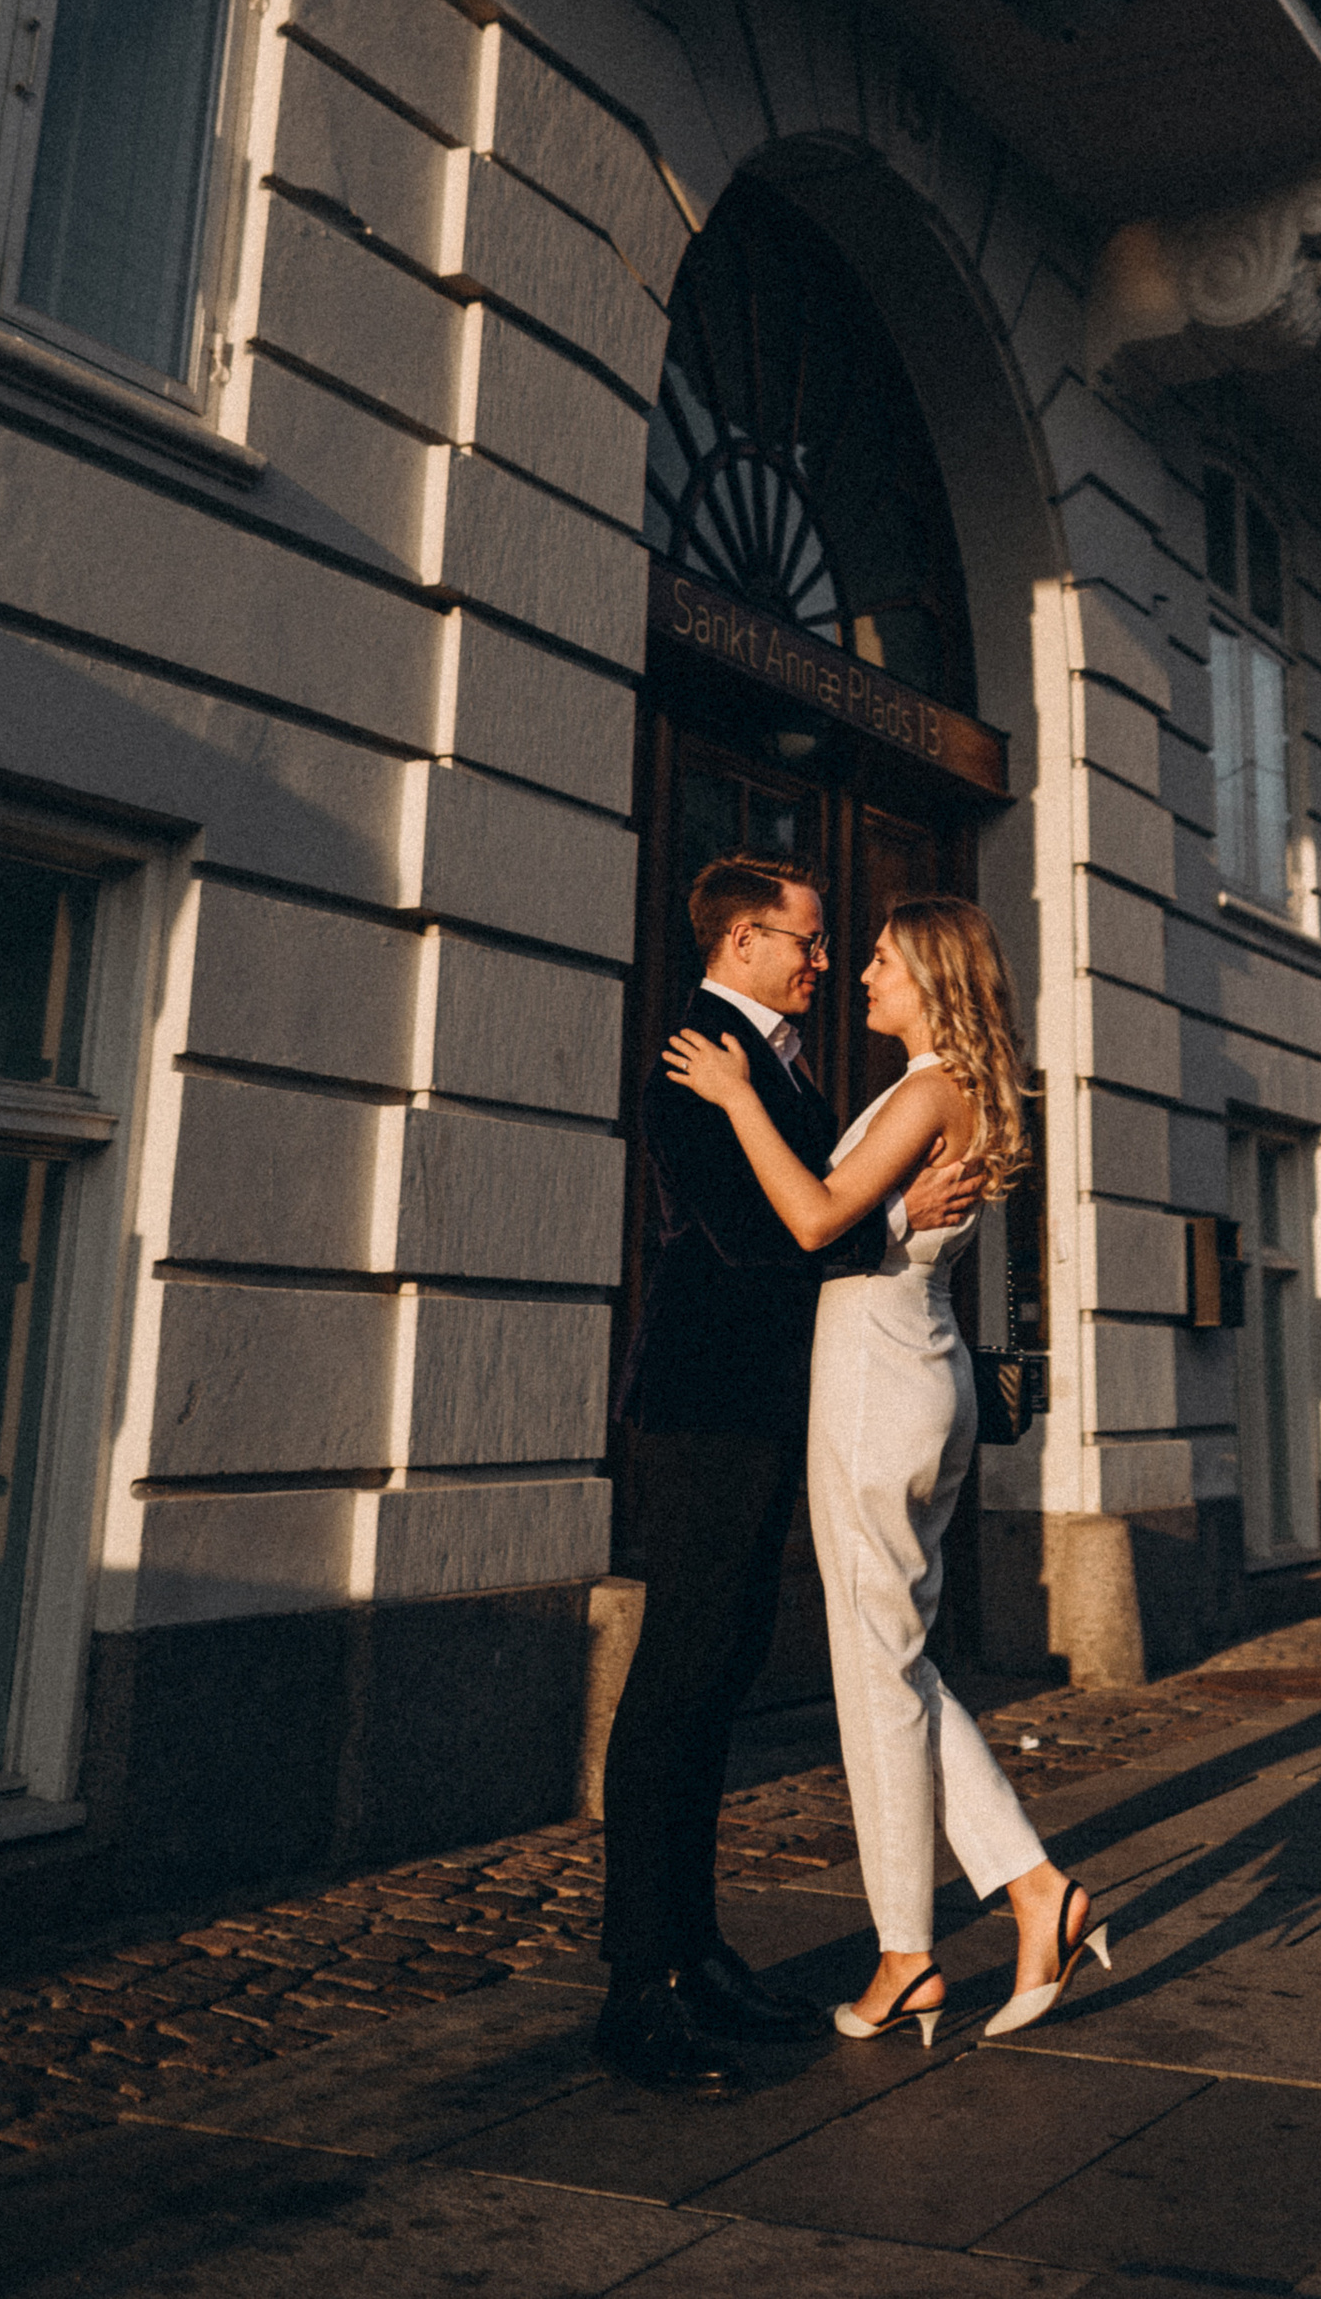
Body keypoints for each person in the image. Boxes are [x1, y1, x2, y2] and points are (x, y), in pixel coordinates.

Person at [666, 894, 1109, 2051]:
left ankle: (932, 1942)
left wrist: (736, 1098)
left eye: (877, 959)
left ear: (931, 973)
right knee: (896, 1664)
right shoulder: (954, 1082)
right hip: (919, 1370)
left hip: (877, 1386)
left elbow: (816, 1219)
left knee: (879, 1680)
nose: (858, 972)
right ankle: (1008, 1906)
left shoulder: (925, 1089)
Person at [596, 855, 977, 2097]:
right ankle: (636, 1989)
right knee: (674, 1685)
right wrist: (898, 1218)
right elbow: (758, 1237)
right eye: (807, 940)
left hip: (767, 1413)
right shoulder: (694, 1055)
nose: (823, 959)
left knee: (720, 1677)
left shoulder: (785, 1065)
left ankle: (697, 1953)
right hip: (704, 1411)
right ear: (743, 942)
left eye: (824, 943)